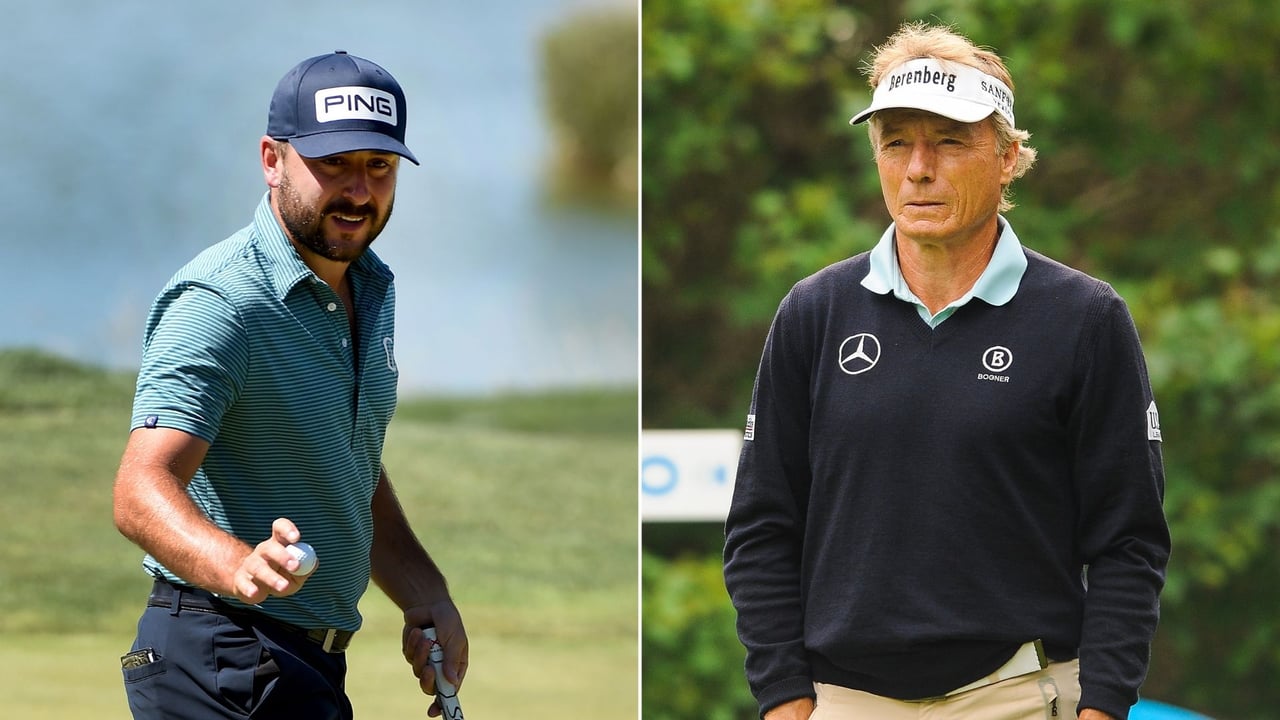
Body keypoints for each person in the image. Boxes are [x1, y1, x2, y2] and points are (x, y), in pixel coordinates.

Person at [723, 22, 1170, 720]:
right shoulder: (814, 312)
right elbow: (761, 527)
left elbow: (1129, 540)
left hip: (1020, 693)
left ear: (1008, 157)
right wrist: (784, 697)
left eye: (950, 142)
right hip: (846, 701)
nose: (918, 169)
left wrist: (1104, 706)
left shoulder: (1084, 319)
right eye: (896, 142)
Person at [112, 50, 466, 719]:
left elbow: (344, 465)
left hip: (299, 665)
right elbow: (139, 490)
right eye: (333, 163)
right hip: (219, 654)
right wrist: (237, 566)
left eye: (379, 166)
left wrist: (425, 592)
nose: (359, 191)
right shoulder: (221, 301)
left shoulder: (371, 286)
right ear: (272, 160)